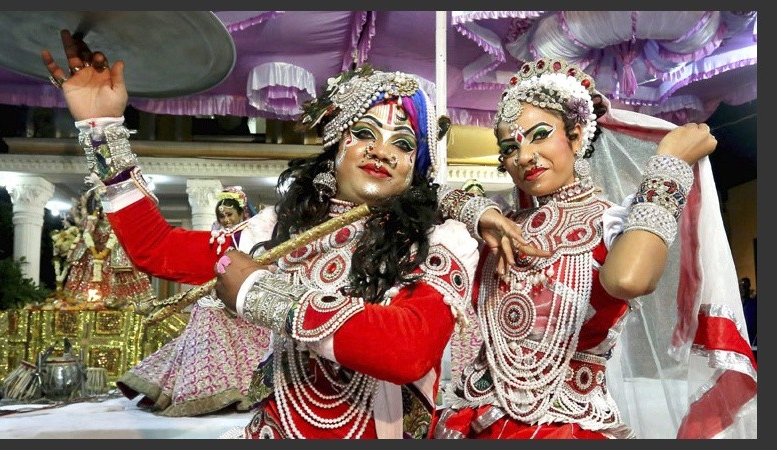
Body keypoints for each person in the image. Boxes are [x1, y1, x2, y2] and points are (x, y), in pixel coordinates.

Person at [41, 30, 542, 438]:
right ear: (336, 146)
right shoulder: (274, 232)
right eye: (364, 133)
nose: (383, 151)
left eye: (404, 143)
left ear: (417, 166)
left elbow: (406, 350)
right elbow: (156, 249)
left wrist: (259, 293)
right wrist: (102, 128)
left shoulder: (440, 239)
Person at [430, 57, 757, 439]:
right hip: (470, 420)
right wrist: (474, 209)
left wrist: (668, 167)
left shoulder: (612, 222)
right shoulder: (499, 227)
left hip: (565, 425)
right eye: (509, 147)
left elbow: (628, 280)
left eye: (539, 135)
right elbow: (415, 195)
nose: (524, 156)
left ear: (576, 136)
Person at [114, 187, 272, 416]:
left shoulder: (255, 234)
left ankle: (238, 391)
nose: (226, 220)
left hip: (244, 303)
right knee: (205, 319)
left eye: (230, 214)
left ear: (242, 213)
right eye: (222, 216)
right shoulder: (216, 238)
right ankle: (201, 391)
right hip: (214, 301)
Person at [739, 277, 757, 349]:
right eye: (741, 286)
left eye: (745, 286)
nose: (743, 289)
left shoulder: (754, 304)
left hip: (752, 344)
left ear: (749, 288)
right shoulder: (735, 306)